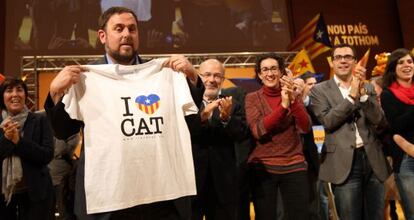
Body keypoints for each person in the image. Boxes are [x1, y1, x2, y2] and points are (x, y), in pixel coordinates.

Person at [44, 6, 203, 220]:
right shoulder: (85, 77)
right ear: (102, 35)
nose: (126, 34)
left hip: (160, 196)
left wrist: (192, 78)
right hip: (110, 198)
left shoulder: (164, 73)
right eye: (118, 28)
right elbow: (63, 131)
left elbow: (191, 123)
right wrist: (55, 92)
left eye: (132, 29)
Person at [309, 43, 390, 219]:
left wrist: (362, 95)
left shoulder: (367, 87)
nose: (343, 61)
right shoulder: (319, 90)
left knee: (376, 215)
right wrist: (352, 96)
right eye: (338, 57)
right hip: (343, 162)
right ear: (332, 62)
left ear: (355, 61)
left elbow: (379, 120)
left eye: (348, 57)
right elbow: (328, 121)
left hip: (372, 159)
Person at [245, 53, 311, 219]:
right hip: (264, 167)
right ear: (259, 75)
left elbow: (306, 127)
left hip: (294, 163)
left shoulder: (294, 95)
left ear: (282, 72)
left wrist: (293, 100)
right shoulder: (252, 98)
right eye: (265, 70)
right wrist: (283, 106)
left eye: (274, 68)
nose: (270, 73)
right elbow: (258, 131)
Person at [191, 59, 250, 220]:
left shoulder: (233, 103)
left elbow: (241, 135)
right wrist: (202, 117)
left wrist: (226, 118)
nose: (212, 80)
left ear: (223, 80)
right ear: (198, 77)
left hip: (224, 181)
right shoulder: (187, 102)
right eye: (207, 75)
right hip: (192, 181)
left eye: (217, 76)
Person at [0, 78, 55, 220]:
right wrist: (7, 139)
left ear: (25, 95)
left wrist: (19, 142)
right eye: (9, 90)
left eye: (19, 89)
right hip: (4, 196)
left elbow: (46, 155)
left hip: (36, 194)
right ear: (2, 96)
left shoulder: (40, 120)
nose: (15, 94)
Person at [380, 48, 414, 220]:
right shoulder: (388, 95)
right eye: (401, 62)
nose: (406, 65)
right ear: (393, 68)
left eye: (409, 61)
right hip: (406, 160)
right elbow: (396, 126)